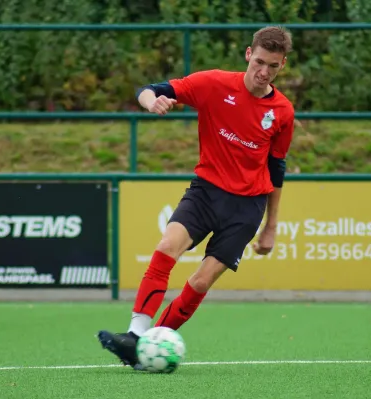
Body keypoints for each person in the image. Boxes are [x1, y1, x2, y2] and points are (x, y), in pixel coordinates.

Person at [97, 25, 295, 369]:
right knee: (165, 248)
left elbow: (277, 169)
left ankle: (148, 348)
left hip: (247, 207)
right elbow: (149, 89)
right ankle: (135, 334)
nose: (264, 72)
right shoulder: (215, 84)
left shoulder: (282, 112)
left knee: (201, 281)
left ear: (282, 65)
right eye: (259, 62)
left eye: (273, 66)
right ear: (248, 54)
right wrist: (151, 103)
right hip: (205, 191)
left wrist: (271, 226)